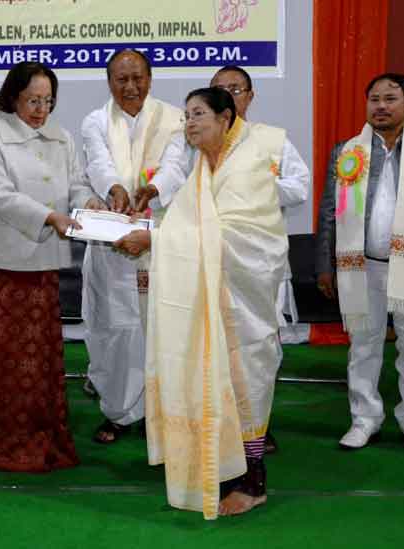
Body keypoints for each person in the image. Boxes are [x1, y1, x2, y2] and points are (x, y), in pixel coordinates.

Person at [115, 87, 289, 518]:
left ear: (225, 118)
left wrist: (152, 240)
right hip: (210, 298)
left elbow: (241, 236)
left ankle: (253, 483)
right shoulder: (202, 167)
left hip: (242, 304)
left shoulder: (247, 164)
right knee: (213, 379)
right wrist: (152, 230)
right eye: (186, 115)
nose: (189, 123)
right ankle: (222, 469)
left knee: (244, 381)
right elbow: (189, 225)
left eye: (198, 114)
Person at [138, 65, 310, 455]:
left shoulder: (268, 142)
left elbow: (298, 187)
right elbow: (172, 180)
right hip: (199, 264)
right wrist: (152, 193)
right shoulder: (195, 145)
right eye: (219, 89)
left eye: (235, 89)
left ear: (245, 99)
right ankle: (219, 432)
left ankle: (253, 432)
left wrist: (252, 191)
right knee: (206, 351)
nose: (228, 95)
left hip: (252, 266)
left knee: (254, 352)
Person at [0, 61, 100, 472]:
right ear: (13, 97)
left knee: (38, 359)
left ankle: (40, 436)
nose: (41, 110)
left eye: (48, 101)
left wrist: (89, 202)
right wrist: (49, 217)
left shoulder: (61, 136)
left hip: (41, 264)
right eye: (32, 101)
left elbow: (76, 184)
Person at [314, 73, 404, 458]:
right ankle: (364, 420)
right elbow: (330, 212)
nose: (381, 106)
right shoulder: (348, 152)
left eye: (390, 98)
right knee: (363, 346)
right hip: (361, 268)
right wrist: (324, 265)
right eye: (374, 99)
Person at [78, 49, 183, 444]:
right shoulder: (96, 121)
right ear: (109, 82)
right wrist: (115, 189)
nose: (131, 87)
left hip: (160, 239)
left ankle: (162, 412)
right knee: (113, 329)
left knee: (161, 329)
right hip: (112, 238)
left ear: (150, 79)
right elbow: (98, 162)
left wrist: (153, 189)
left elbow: (176, 165)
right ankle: (119, 412)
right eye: (121, 79)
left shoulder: (175, 119)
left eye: (137, 78)